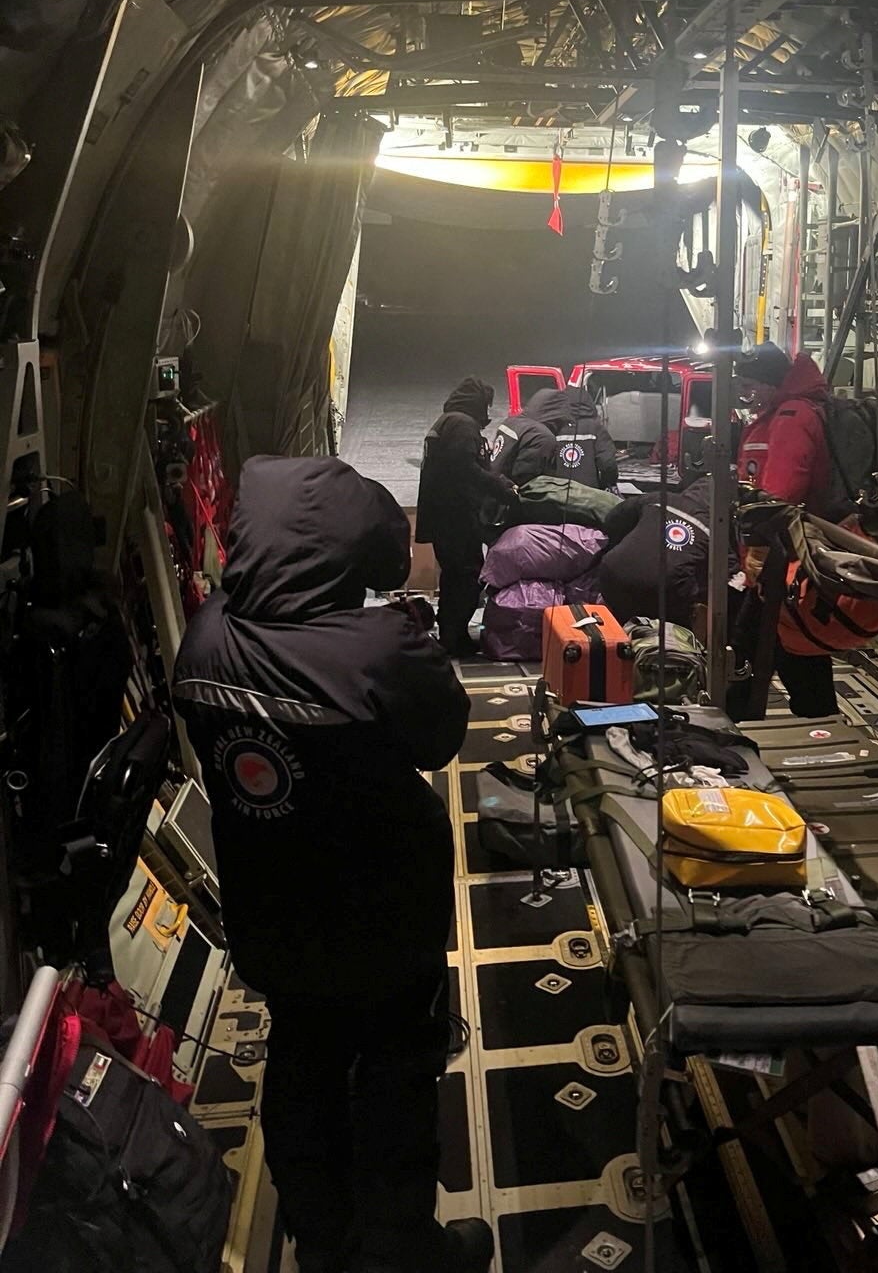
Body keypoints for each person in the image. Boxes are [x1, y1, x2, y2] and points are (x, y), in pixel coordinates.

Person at [172, 457, 492, 1273]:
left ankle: (322, 1241)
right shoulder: (379, 645)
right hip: (386, 915)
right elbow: (440, 736)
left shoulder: (207, 632)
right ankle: (405, 1251)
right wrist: (411, 637)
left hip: (272, 911)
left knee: (302, 1062)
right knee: (395, 1078)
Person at [728, 341, 838, 721]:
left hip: (784, 559)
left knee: (772, 644)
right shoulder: (781, 414)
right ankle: (813, 718)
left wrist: (757, 551)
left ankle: (744, 719)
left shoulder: (793, 416)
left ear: (772, 382)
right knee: (785, 645)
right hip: (779, 557)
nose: (745, 393)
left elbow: (778, 495)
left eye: (750, 384)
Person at [416, 376, 515, 656]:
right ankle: (454, 637)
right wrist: (501, 487)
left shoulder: (447, 421)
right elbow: (465, 469)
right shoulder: (462, 425)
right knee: (467, 576)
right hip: (455, 517)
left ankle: (450, 633)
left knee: (454, 576)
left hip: (443, 516)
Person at [598, 474, 716, 628]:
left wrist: (620, 543)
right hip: (662, 596)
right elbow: (729, 579)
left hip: (612, 573)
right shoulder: (716, 529)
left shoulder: (657, 499)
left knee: (610, 633)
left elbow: (613, 518)